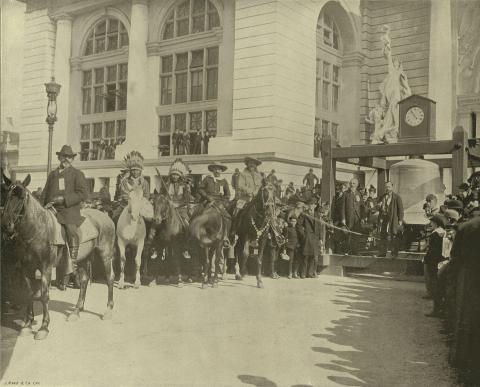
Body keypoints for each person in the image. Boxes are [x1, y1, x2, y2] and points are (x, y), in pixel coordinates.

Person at [42, 145, 88, 282]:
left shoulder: (77, 174)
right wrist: (42, 205)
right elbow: (45, 192)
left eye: (69, 157)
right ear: (59, 157)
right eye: (63, 156)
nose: (66, 159)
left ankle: (72, 263)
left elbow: (83, 194)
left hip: (68, 210)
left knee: (70, 229)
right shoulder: (52, 174)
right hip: (51, 208)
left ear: (72, 159)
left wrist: (64, 199)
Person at [198, 162, 231, 247]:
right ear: (212, 170)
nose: (217, 171)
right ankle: (199, 235)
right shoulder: (207, 179)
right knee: (199, 215)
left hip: (219, 202)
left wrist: (223, 202)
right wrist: (207, 197)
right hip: (208, 201)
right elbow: (200, 189)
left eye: (219, 169)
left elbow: (228, 195)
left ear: (221, 171)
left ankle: (225, 237)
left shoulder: (224, 181)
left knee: (227, 217)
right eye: (215, 169)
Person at [112, 151, 150, 224]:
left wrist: (140, 203)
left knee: (149, 221)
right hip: (126, 205)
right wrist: (132, 202)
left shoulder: (144, 182)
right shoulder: (125, 181)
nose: (135, 172)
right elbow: (124, 194)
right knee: (115, 217)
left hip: (141, 206)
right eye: (133, 170)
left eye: (137, 170)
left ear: (140, 171)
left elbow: (146, 196)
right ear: (130, 171)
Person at [423, 214, 446, 310]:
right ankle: (433, 294)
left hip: (432, 259)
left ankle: (432, 294)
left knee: (432, 277)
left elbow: (432, 249)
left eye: (432, 222)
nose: (430, 224)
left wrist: (427, 258)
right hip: (439, 258)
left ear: (436, 223)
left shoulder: (435, 233)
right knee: (435, 278)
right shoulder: (442, 232)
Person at [376, 181, 404, 258]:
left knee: (393, 235)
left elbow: (400, 209)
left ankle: (394, 253)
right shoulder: (383, 197)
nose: (387, 188)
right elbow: (378, 208)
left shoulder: (397, 197)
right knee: (383, 235)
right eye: (386, 187)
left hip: (393, 219)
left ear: (392, 187)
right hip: (384, 219)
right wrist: (379, 206)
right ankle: (382, 252)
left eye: (389, 187)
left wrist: (400, 220)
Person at [297, 198, 322, 278]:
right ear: (308, 205)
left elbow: (319, 227)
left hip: (315, 238)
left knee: (313, 256)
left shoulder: (317, 215)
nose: (312, 206)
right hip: (307, 237)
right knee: (305, 256)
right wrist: (303, 235)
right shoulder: (304, 214)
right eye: (311, 204)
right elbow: (299, 225)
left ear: (315, 206)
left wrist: (320, 238)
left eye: (314, 205)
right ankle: (303, 273)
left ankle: (310, 273)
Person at [339, 178, 364, 255]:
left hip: (357, 218)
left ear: (356, 185)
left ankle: (355, 251)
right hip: (348, 217)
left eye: (353, 183)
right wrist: (343, 218)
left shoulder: (359, 194)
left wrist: (359, 201)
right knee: (348, 234)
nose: (352, 185)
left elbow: (362, 207)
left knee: (355, 235)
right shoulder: (345, 194)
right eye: (351, 183)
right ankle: (346, 250)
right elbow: (342, 207)